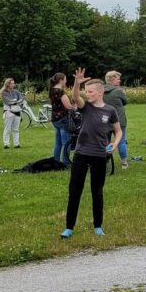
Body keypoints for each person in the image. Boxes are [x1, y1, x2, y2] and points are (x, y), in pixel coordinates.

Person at [61, 69, 122, 239]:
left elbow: (118, 131)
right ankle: (69, 227)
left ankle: (98, 226)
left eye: (90, 91)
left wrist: (115, 144)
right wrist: (77, 83)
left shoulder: (110, 110)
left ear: (100, 92)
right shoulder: (85, 107)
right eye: (86, 92)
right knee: (75, 191)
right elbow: (75, 97)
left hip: (100, 156)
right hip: (81, 154)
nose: (87, 94)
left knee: (97, 191)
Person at [104, 71, 130, 169]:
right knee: (121, 141)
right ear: (112, 79)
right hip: (119, 120)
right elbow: (126, 101)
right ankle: (124, 163)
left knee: (105, 141)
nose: (119, 81)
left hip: (105, 120)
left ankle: (105, 159)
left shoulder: (101, 90)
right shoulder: (118, 91)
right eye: (118, 79)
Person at [49, 73, 74, 166]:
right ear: (61, 80)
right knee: (66, 142)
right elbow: (68, 106)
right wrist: (74, 107)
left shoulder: (52, 90)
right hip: (63, 119)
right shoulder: (60, 92)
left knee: (58, 143)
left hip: (55, 119)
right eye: (65, 79)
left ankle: (55, 161)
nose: (66, 81)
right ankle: (65, 163)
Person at [0, 78, 24, 149]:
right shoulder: (4, 93)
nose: (13, 84)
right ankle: (6, 144)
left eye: (13, 83)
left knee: (16, 129)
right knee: (7, 129)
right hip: (8, 112)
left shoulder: (16, 92)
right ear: (8, 84)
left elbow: (21, 100)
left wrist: (15, 102)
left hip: (17, 112)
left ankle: (16, 144)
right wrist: (16, 102)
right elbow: (8, 102)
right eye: (12, 83)